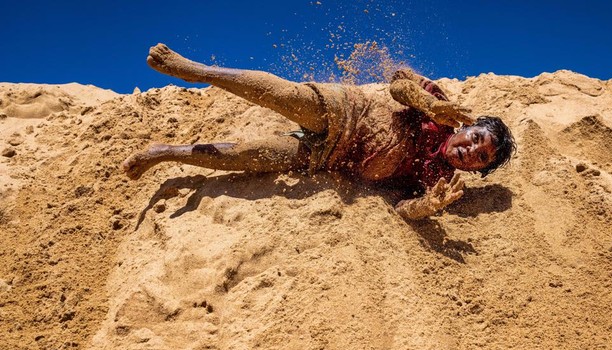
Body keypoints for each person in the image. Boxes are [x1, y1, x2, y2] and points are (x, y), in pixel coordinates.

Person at [123, 44, 516, 219]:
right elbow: (398, 82)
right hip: (344, 111)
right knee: (279, 93)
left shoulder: (440, 181)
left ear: (474, 171)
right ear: (470, 125)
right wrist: (429, 104)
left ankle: (166, 152)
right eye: (477, 139)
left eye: (481, 159)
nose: (471, 151)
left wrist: (426, 208)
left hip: (326, 158)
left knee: (249, 155)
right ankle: (192, 69)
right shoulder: (443, 111)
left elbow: (401, 209)